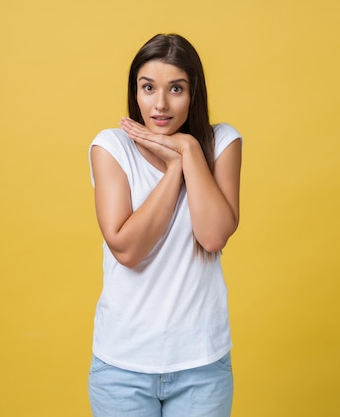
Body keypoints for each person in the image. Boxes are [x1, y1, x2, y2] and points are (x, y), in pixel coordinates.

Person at [87, 33, 242, 417]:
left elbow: (213, 235)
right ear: (135, 92)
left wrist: (189, 149)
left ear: (194, 93)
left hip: (201, 363)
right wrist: (175, 169)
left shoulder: (221, 142)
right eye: (148, 87)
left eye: (176, 88)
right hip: (122, 364)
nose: (160, 104)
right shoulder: (111, 148)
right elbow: (127, 249)